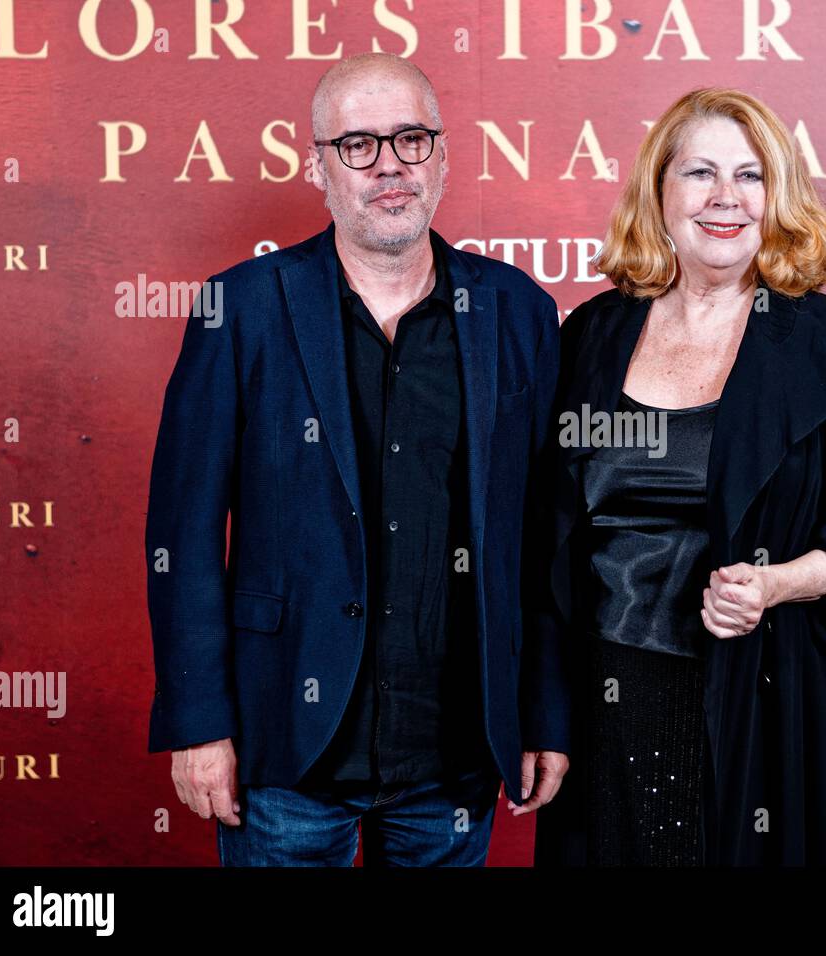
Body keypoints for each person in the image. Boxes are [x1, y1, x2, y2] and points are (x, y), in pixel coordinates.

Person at [145, 53, 568, 866]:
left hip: (454, 750)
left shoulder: (518, 311)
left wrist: (545, 712)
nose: (389, 166)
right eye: (358, 145)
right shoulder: (240, 308)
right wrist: (198, 723)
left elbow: (544, 535)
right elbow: (183, 534)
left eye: (411, 139)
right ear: (318, 166)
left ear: (443, 156)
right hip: (282, 747)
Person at [532, 88, 826, 866]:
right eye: (700, 172)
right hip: (606, 703)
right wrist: (547, 712)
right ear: (659, 191)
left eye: (750, 176)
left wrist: (777, 583)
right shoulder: (592, 335)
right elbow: (545, 541)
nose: (725, 198)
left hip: (762, 697)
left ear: (779, 196)